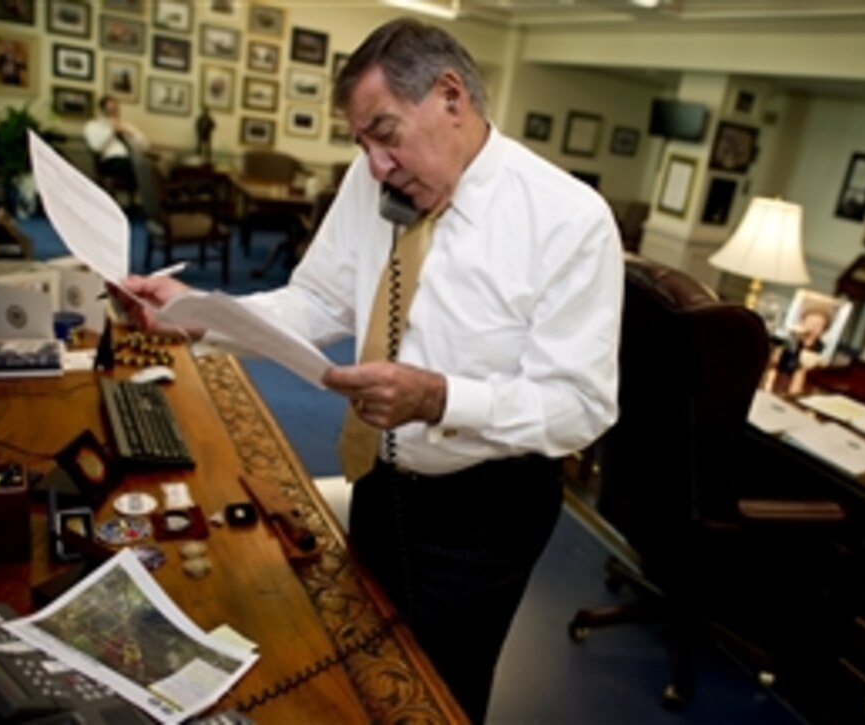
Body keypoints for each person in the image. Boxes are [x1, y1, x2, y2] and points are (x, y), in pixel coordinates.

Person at [118, 18, 622, 722]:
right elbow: (319, 297)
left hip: (485, 506)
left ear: (451, 96)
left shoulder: (570, 220)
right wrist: (201, 312)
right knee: (366, 659)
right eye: (362, 142)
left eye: (385, 134)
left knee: (436, 692)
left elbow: (581, 405)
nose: (375, 163)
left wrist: (442, 397)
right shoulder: (375, 179)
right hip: (379, 476)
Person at [83, 95, 147, 191]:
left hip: (132, 159)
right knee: (139, 167)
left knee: (147, 166)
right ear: (103, 110)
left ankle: (155, 200)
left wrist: (130, 134)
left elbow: (145, 146)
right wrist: (111, 130)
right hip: (110, 162)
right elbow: (96, 147)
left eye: (116, 109)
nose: (114, 112)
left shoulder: (126, 126)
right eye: (110, 109)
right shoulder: (93, 126)